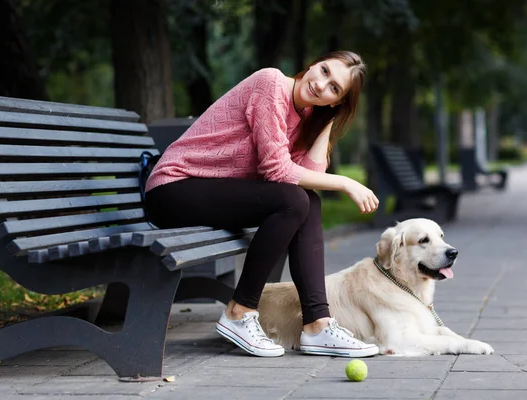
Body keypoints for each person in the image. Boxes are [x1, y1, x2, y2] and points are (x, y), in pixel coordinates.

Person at [144, 50, 380, 358]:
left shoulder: (308, 117)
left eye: (334, 88)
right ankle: (239, 313)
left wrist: (327, 121)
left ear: (337, 102)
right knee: (294, 200)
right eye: (323, 71)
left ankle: (317, 325)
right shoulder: (270, 84)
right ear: (312, 64)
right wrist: (346, 182)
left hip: (208, 192)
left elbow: (308, 175)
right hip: (172, 188)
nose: (321, 85)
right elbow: (278, 172)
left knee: (307, 200)